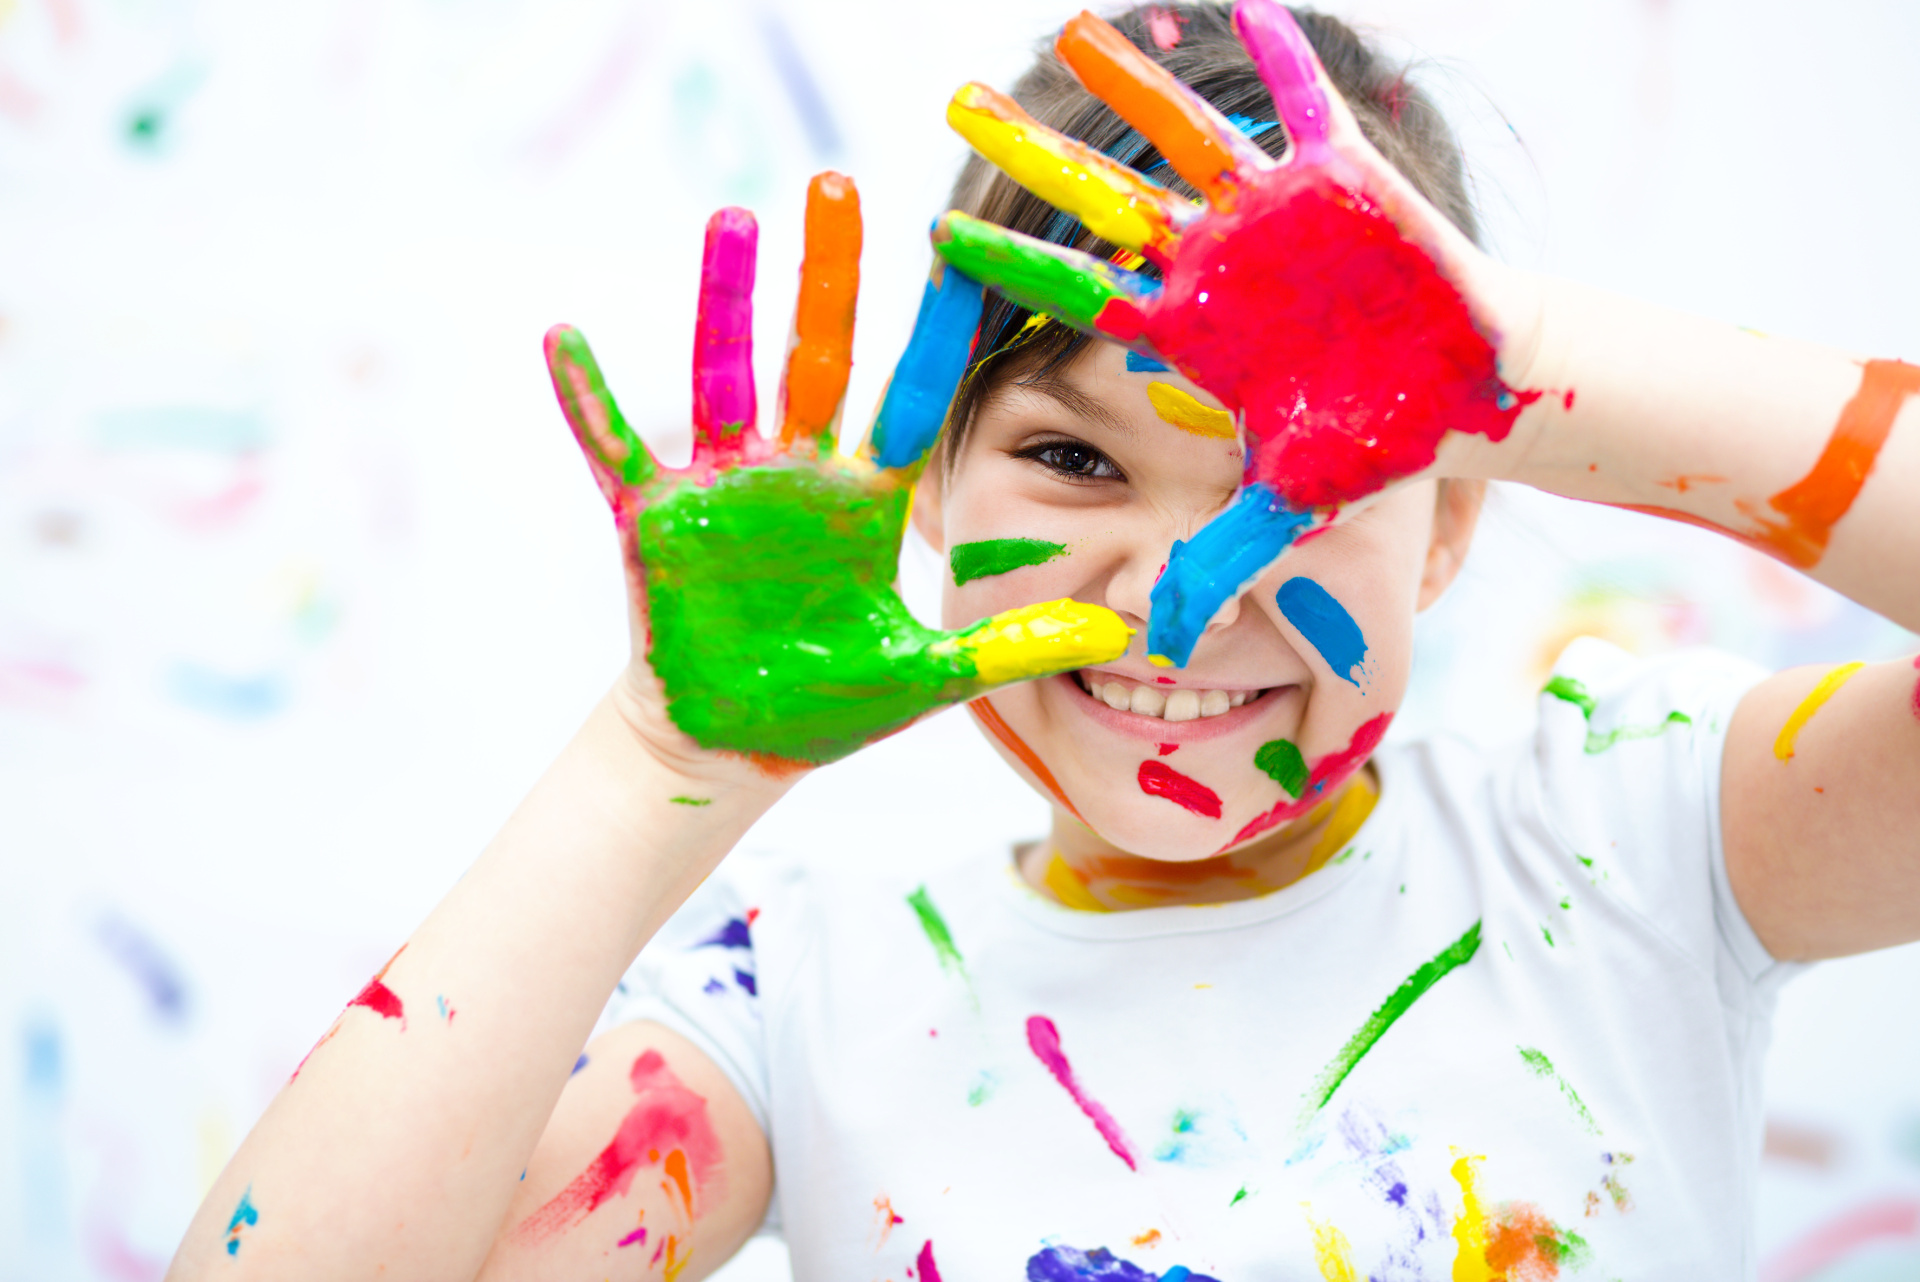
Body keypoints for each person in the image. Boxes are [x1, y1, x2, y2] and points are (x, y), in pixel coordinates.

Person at [165, 3, 1920, 1279]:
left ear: (1451, 517)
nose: (1183, 586)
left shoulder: (1638, 836)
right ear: (926, 492)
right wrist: (660, 764)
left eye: (1308, 473)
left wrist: (1505, 349)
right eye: (1074, 457)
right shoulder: (808, 1009)